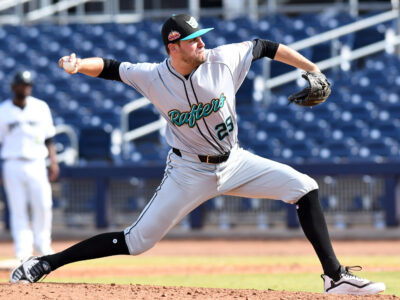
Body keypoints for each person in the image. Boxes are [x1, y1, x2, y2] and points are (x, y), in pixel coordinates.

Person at [10, 14, 385, 295]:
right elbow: (111, 68)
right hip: (187, 171)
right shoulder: (153, 76)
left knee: (305, 187)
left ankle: (335, 278)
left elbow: (264, 46)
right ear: (173, 48)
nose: (201, 44)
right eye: (192, 40)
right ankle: (45, 263)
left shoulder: (223, 58)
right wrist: (78, 66)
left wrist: (311, 68)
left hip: (235, 161)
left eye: (201, 37)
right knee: (137, 242)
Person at [0, 71, 59, 262]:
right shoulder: (3, 111)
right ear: (13, 87)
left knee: (43, 205)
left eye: (27, 85)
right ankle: (23, 250)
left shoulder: (40, 107)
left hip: (37, 163)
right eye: (21, 84)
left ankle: (43, 245)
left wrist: (53, 161)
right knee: (18, 209)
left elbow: (49, 137)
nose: (24, 87)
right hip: (12, 163)